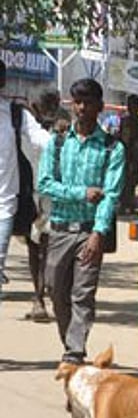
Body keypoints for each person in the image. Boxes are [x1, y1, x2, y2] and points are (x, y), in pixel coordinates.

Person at [37, 78, 124, 366]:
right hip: (59, 229)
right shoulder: (59, 142)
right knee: (55, 291)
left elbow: (110, 195)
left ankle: (74, 353)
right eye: (77, 102)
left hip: (89, 233)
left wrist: (99, 233)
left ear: (100, 107)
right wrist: (81, 193)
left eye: (88, 102)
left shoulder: (112, 148)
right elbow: (45, 184)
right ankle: (70, 344)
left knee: (82, 295)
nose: (82, 108)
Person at [1, 60, 53, 310]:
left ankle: (39, 297)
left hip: (14, 200)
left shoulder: (17, 116)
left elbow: (44, 142)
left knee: (35, 242)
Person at [20, 90, 70, 323]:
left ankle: (47, 294)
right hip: (31, 193)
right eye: (44, 105)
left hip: (53, 195)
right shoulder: (24, 127)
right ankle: (38, 297)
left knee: (48, 247)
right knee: (33, 246)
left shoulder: (63, 129)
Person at [118, 94, 138, 215]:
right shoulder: (124, 121)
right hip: (124, 154)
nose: (130, 107)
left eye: (133, 105)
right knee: (123, 179)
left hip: (135, 154)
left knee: (132, 180)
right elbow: (120, 138)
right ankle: (124, 203)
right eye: (129, 104)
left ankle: (129, 203)